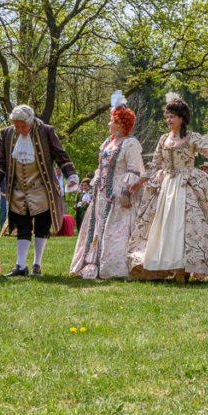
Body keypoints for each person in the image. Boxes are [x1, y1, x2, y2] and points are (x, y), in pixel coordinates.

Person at [127, 93, 208, 282]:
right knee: (164, 226)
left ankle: (183, 268)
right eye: (166, 116)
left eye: (172, 117)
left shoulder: (192, 137)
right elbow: (154, 164)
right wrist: (140, 181)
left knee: (186, 226)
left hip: (187, 185)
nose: (168, 120)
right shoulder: (163, 139)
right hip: (166, 185)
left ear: (181, 118)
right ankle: (167, 265)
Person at [0, 105, 78, 277]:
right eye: (16, 126)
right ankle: (20, 265)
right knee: (22, 225)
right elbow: (0, 160)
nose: (19, 129)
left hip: (42, 189)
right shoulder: (6, 133)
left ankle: (37, 265)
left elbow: (61, 155)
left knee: (42, 225)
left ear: (31, 121)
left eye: (23, 126)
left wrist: (72, 175)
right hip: (18, 190)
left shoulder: (46, 131)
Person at [70, 91, 144, 279]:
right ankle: (93, 263)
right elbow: (100, 169)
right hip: (101, 194)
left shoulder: (130, 144)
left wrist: (126, 191)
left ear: (120, 124)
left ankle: (115, 267)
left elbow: (134, 171)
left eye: (111, 120)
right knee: (97, 227)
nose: (108, 124)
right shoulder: (107, 143)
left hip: (120, 197)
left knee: (116, 231)